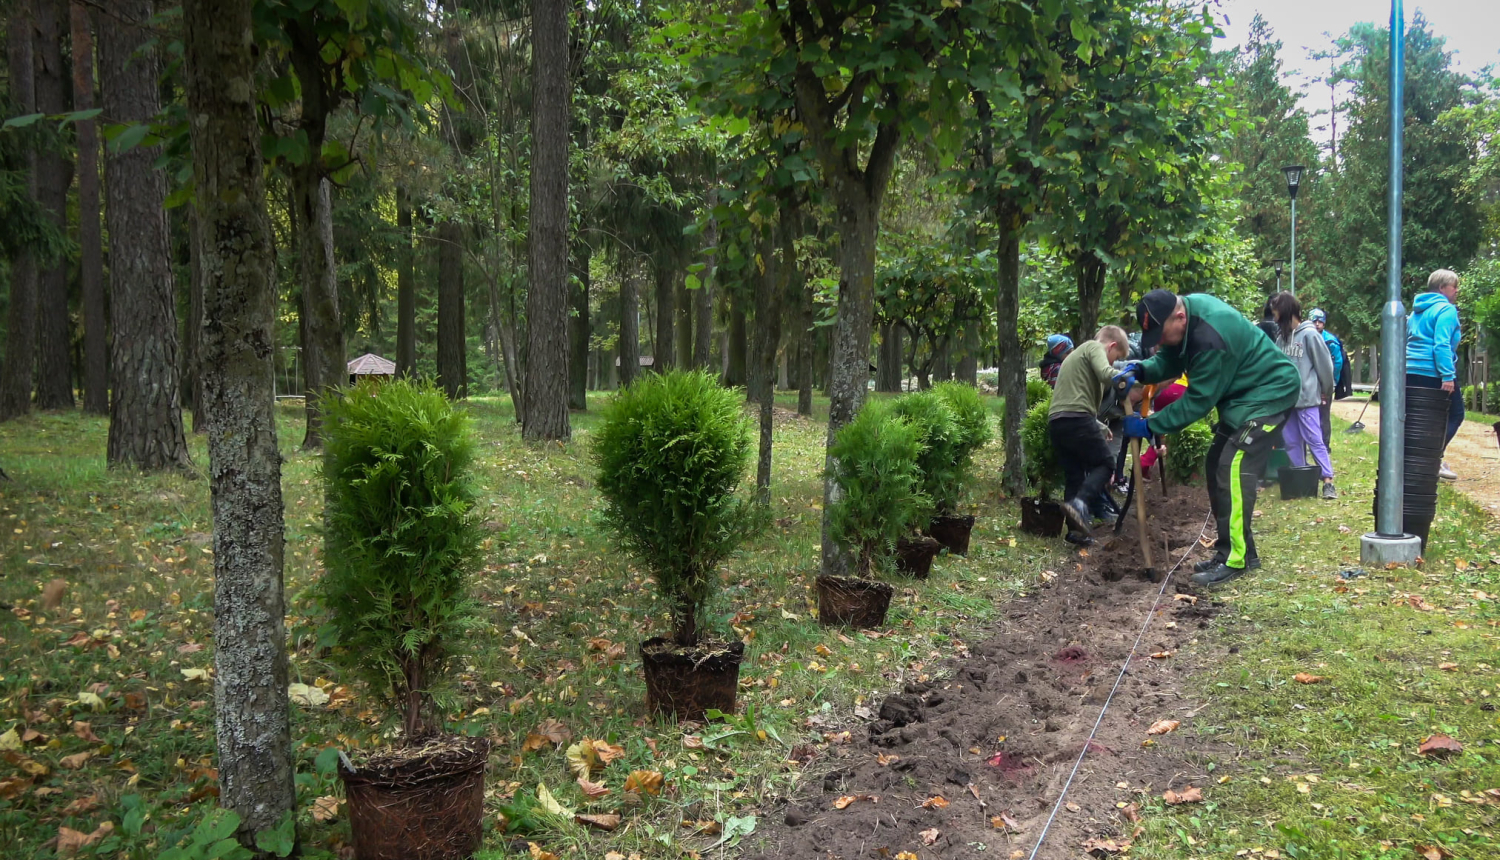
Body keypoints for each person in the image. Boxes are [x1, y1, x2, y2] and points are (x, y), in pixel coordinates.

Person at [1117, 289, 1301, 587]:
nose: (1160, 343)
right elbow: (1170, 359)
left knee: (1233, 468)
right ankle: (1235, 549)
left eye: (1162, 334)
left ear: (1179, 316)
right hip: (1243, 399)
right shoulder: (1188, 317)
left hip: (1269, 395)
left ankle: (1236, 558)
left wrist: (1151, 425)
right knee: (1216, 462)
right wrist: (1141, 369)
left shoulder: (1210, 337)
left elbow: (1198, 401)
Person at [1048, 325, 1131, 546]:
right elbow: (1106, 373)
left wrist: (1100, 427)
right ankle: (1081, 504)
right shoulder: (1094, 347)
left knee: (1075, 476)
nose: (1112, 362)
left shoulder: (1073, 358)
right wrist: (1130, 377)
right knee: (1105, 465)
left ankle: (1076, 533)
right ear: (1111, 346)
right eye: (1115, 358)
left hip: (1058, 422)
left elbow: (1071, 400)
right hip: (1077, 419)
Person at [1270, 292, 1337, 499]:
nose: (1274, 319)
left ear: (1286, 312)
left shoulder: (1310, 335)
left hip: (1307, 399)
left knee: (1314, 438)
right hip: (1287, 402)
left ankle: (1327, 481)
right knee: (1291, 441)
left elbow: (1325, 365)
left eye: (1276, 314)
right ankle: (1302, 479)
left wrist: (1326, 391)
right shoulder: (1281, 338)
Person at [1405, 269, 1465, 481]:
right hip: (1434, 373)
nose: (1456, 290)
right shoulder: (1446, 310)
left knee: (1419, 420)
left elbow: (1407, 339)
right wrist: (1447, 376)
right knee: (1455, 414)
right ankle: (1432, 460)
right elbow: (1441, 345)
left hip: (1410, 371)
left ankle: (1416, 461)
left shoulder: (1416, 311)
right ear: (1442, 288)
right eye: (1453, 286)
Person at [1308, 308, 1349, 444]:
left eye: (1320, 321)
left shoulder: (1331, 342)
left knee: (1323, 415)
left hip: (1325, 384)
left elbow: (1337, 363)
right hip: (1309, 384)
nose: (1317, 324)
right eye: (1315, 321)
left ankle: (1325, 444)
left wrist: (1331, 382)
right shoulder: (1305, 337)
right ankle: (1311, 442)